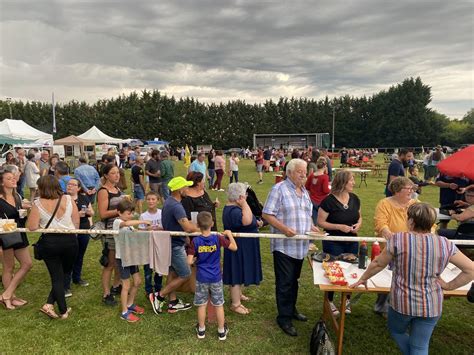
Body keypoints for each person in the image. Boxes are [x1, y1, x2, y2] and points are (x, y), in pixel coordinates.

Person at [351, 203, 473, 355]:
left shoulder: (398, 239)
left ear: (411, 222)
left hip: (402, 303)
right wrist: (448, 286)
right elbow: (471, 269)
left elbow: (377, 263)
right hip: (432, 304)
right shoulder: (445, 243)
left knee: (397, 332)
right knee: (420, 347)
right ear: (432, 223)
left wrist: (363, 278)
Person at [262, 158, 320, 337]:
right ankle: (284, 318)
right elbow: (266, 213)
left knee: (294, 281)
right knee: (285, 282)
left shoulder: (304, 191)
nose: (304, 174)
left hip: (300, 247)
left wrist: (312, 227)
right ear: (290, 172)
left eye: (305, 171)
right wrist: (284, 229)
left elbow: (306, 214)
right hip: (284, 246)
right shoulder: (278, 189)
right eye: (300, 171)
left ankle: (291, 309)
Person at [27, 175, 79, 319]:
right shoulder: (68, 199)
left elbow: (31, 227)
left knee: (57, 277)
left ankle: (56, 308)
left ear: (42, 188)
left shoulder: (37, 203)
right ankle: (58, 308)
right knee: (63, 274)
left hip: (50, 243)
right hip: (70, 240)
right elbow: (76, 221)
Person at [317, 170, 362, 315]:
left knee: (350, 270)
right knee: (333, 271)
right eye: (351, 180)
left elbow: (359, 217)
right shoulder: (328, 201)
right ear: (343, 182)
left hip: (352, 240)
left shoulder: (355, 198)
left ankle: (346, 299)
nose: (354, 183)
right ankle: (329, 301)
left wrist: (358, 225)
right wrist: (339, 227)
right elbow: (320, 222)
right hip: (333, 242)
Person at [187, 211, 238, 340]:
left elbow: (188, 261)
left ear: (198, 225)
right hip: (216, 278)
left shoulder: (196, 241)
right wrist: (229, 235)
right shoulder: (218, 238)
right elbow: (234, 247)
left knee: (202, 304)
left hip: (202, 278)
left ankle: (201, 330)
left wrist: (194, 260)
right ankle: (221, 331)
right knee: (218, 304)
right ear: (212, 224)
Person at [154, 176, 200, 313]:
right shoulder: (176, 206)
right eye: (186, 187)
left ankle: (173, 302)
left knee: (172, 273)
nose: (188, 189)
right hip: (175, 246)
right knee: (185, 274)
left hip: (170, 244)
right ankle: (159, 296)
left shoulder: (169, 202)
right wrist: (203, 228)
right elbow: (188, 228)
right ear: (180, 190)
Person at [373, 176, 418, 317]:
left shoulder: (415, 204)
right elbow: (381, 222)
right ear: (397, 190)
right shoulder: (384, 204)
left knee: (405, 278)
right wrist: (387, 232)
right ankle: (381, 306)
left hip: (411, 247)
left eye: (412, 188)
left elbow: (427, 222)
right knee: (386, 277)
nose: (411, 191)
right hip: (389, 247)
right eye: (408, 188)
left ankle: (400, 306)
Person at [222, 182, 263, 315]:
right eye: (244, 195)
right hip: (238, 246)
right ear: (240, 197)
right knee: (236, 272)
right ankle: (235, 304)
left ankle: (238, 295)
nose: (246, 196)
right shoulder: (234, 211)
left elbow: (249, 219)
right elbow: (246, 221)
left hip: (242, 245)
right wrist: (244, 203)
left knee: (239, 270)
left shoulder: (234, 208)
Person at [113, 199, 151, 322]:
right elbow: (126, 225)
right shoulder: (117, 222)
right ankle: (124, 312)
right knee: (126, 285)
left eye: (131, 213)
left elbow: (135, 232)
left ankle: (130, 304)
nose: (130, 216)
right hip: (122, 258)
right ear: (119, 212)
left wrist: (149, 230)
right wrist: (143, 221)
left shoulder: (129, 225)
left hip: (132, 257)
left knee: (137, 282)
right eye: (128, 213)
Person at [0, 167, 32, 310]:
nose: (13, 180)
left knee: (27, 264)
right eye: (9, 178)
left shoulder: (18, 196)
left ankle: (7, 294)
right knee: (9, 267)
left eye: (14, 178)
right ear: (1, 183)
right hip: (5, 235)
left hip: (19, 232)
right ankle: (10, 297)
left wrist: (25, 212)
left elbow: (20, 216)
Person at [97, 164, 125, 306]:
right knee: (110, 264)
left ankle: (116, 285)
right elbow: (102, 214)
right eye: (113, 173)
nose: (117, 175)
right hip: (110, 232)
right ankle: (106, 293)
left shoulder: (117, 189)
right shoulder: (103, 191)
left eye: (118, 173)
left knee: (119, 261)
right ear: (106, 175)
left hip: (121, 230)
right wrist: (121, 211)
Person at [64, 178, 94, 295]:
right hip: (69, 230)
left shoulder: (84, 198)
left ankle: (77, 277)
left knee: (80, 254)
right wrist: (76, 214)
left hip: (83, 229)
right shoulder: (63, 199)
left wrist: (87, 212)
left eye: (73, 184)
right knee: (68, 256)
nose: (69, 186)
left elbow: (92, 212)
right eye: (68, 184)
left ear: (79, 188)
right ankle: (66, 284)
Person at [139, 191, 164, 312]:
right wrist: (146, 230)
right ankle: (148, 290)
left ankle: (158, 288)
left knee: (159, 269)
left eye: (153, 199)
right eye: (148, 199)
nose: (151, 201)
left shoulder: (162, 213)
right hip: (148, 246)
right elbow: (139, 232)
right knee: (148, 268)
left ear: (158, 200)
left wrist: (159, 228)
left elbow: (166, 227)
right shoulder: (143, 216)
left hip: (160, 245)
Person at [305, 157, 330, 224]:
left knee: (313, 220)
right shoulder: (325, 177)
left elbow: (306, 187)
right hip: (321, 202)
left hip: (312, 200)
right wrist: (330, 189)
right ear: (325, 166)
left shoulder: (311, 175)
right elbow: (325, 190)